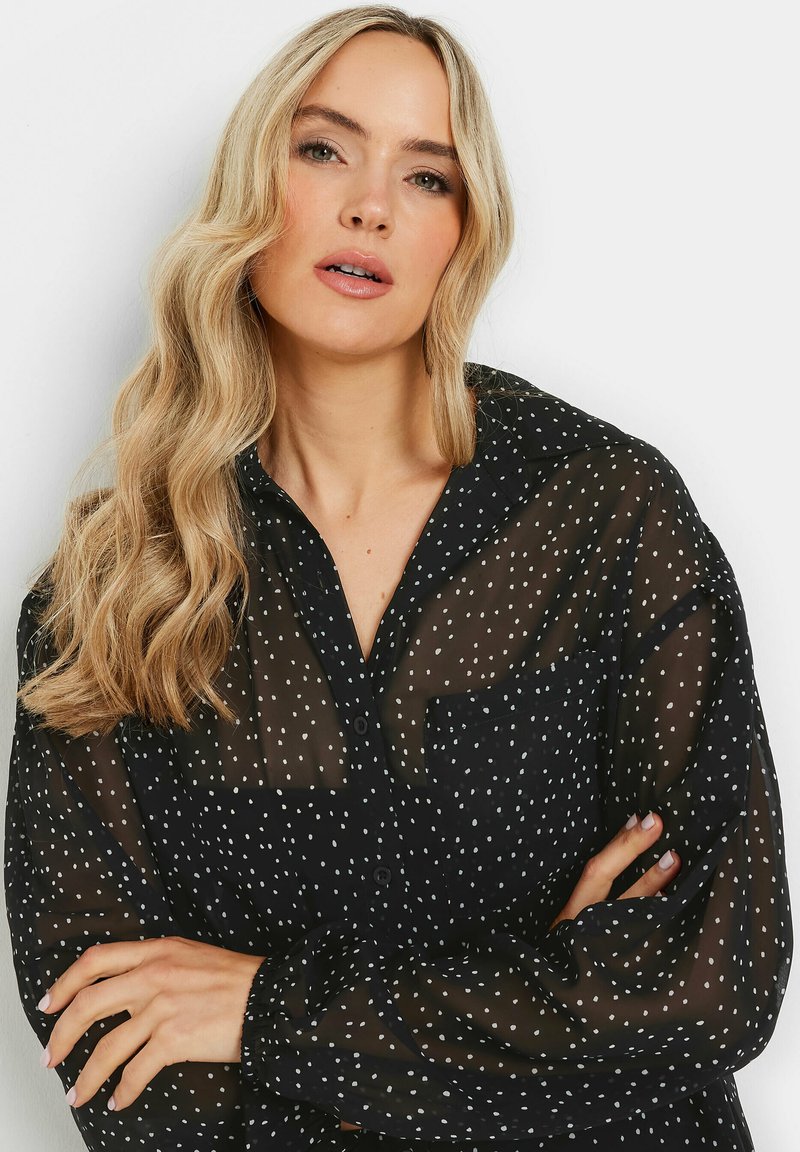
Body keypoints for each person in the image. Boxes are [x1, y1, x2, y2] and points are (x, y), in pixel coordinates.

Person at [4, 4, 792, 1150]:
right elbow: (119, 1060)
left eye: (426, 176)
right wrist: (544, 1002)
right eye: (323, 149)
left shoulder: (603, 511)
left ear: (463, 233)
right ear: (250, 186)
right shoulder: (112, 591)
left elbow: (708, 982)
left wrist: (262, 1012)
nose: (369, 204)